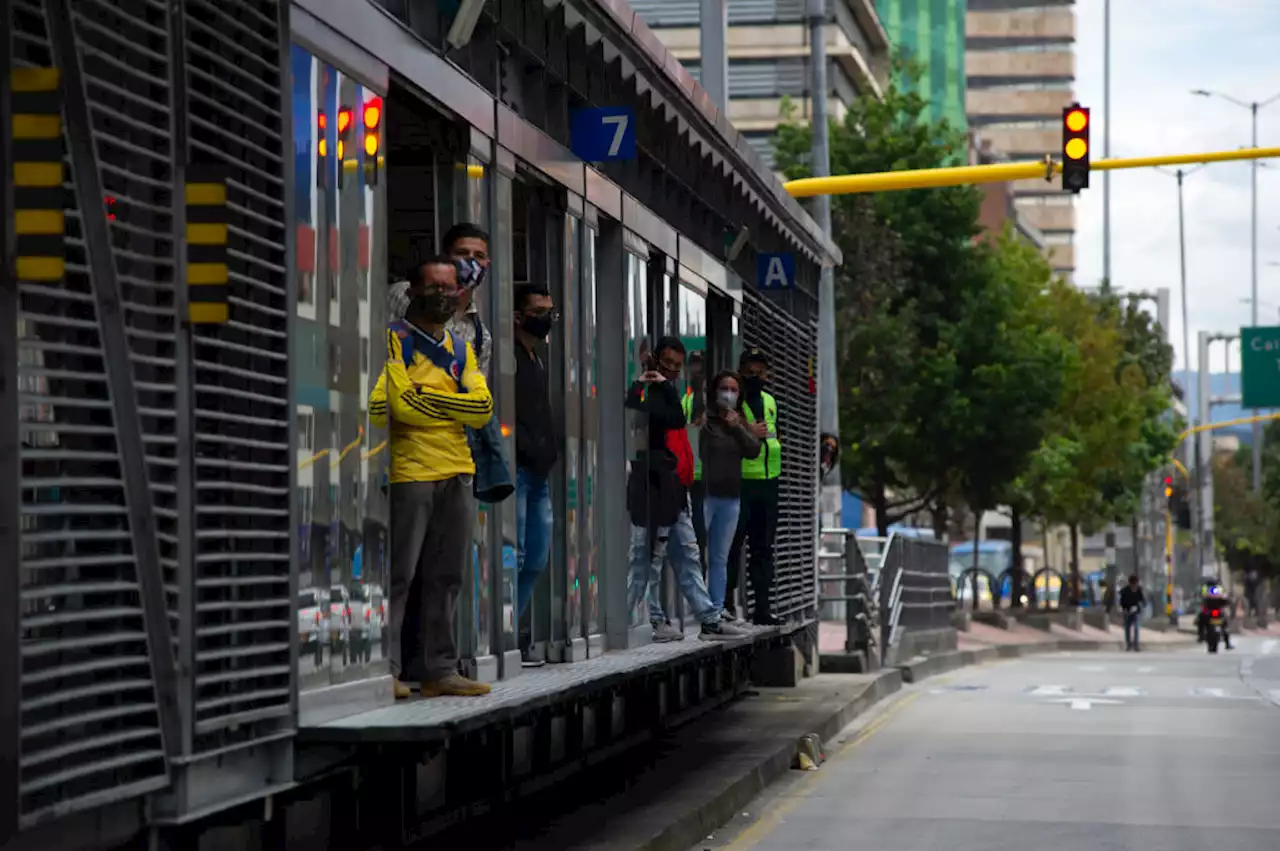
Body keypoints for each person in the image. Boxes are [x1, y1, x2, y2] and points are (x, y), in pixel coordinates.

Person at [370, 256, 494, 699]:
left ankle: (439, 668)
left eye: (451, 287)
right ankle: (386, 670)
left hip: (457, 470)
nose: (445, 294)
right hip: (409, 470)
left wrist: (425, 397)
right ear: (413, 290)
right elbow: (398, 407)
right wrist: (449, 402)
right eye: (435, 286)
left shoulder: (461, 348)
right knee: (399, 575)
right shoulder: (392, 341)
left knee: (447, 576)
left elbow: (482, 410)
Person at [625, 337, 749, 642]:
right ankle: (645, 618)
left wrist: (665, 386)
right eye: (667, 364)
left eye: (676, 367)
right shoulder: (644, 392)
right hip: (652, 485)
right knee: (649, 555)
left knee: (688, 554)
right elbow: (663, 418)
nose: (672, 372)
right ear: (653, 360)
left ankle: (708, 619)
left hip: (674, 486)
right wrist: (652, 384)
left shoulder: (667, 392)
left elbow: (676, 420)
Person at [513, 284, 559, 666]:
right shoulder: (509, 358)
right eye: (538, 310)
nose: (546, 318)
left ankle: (511, 629)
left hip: (539, 474)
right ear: (517, 315)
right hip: (517, 471)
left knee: (536, 558)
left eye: (549, 311)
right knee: (515, 554)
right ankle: (504, 638)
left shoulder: (536, 357)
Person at [725, 347, 783, 625]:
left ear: (767, 372)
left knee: (763, 549)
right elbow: (725, 433)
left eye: (760, 369)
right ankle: (726, 605)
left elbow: (773, 435)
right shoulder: (733, 401)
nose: (755, 374)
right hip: (742, 482)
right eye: (749, 368)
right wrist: (748, 428)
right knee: (734, 545)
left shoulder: (771, 401)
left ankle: (762, 608)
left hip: (769, 483)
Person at [698, 370, 761, 618]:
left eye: (734, 390)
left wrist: (738, 427)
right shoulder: (706, 422)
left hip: (731, 498)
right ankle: (698, 607)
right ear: (715, 392)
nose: (729, 394)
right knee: (696, 552)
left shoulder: (739, 421)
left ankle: (716, 607)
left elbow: (753, 449)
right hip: (706, 496)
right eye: (725, 388)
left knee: (719, 557)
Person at [442, 223, 493, 376]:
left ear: (487, 264)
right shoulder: (404, 297)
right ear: (447, 257)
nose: (471, 262)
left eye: (479, 256)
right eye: (462, 253)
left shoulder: (480, 337)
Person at [680, 351, 709, 568]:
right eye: (693, 367)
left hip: (709, 475)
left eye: (700, 367)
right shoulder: (687, 401)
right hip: (691, 473)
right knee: (694, 529)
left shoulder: (713, 401)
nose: (696, 372)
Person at [1118, 574, 1145, 652]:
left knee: (1136, 628)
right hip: (1127, 611)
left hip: (1136, 611)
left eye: (1136, 584)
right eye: (1134, 584)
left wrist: (1143, 604)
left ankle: (1136, 645)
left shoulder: (1139, 589)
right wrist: (1124, 610)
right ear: (1131, 583)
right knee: (1127, 628)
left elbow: (1142, 599)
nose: (1135, 586)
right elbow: (1122, 601)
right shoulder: (1125, 590)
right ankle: (1129, 644)